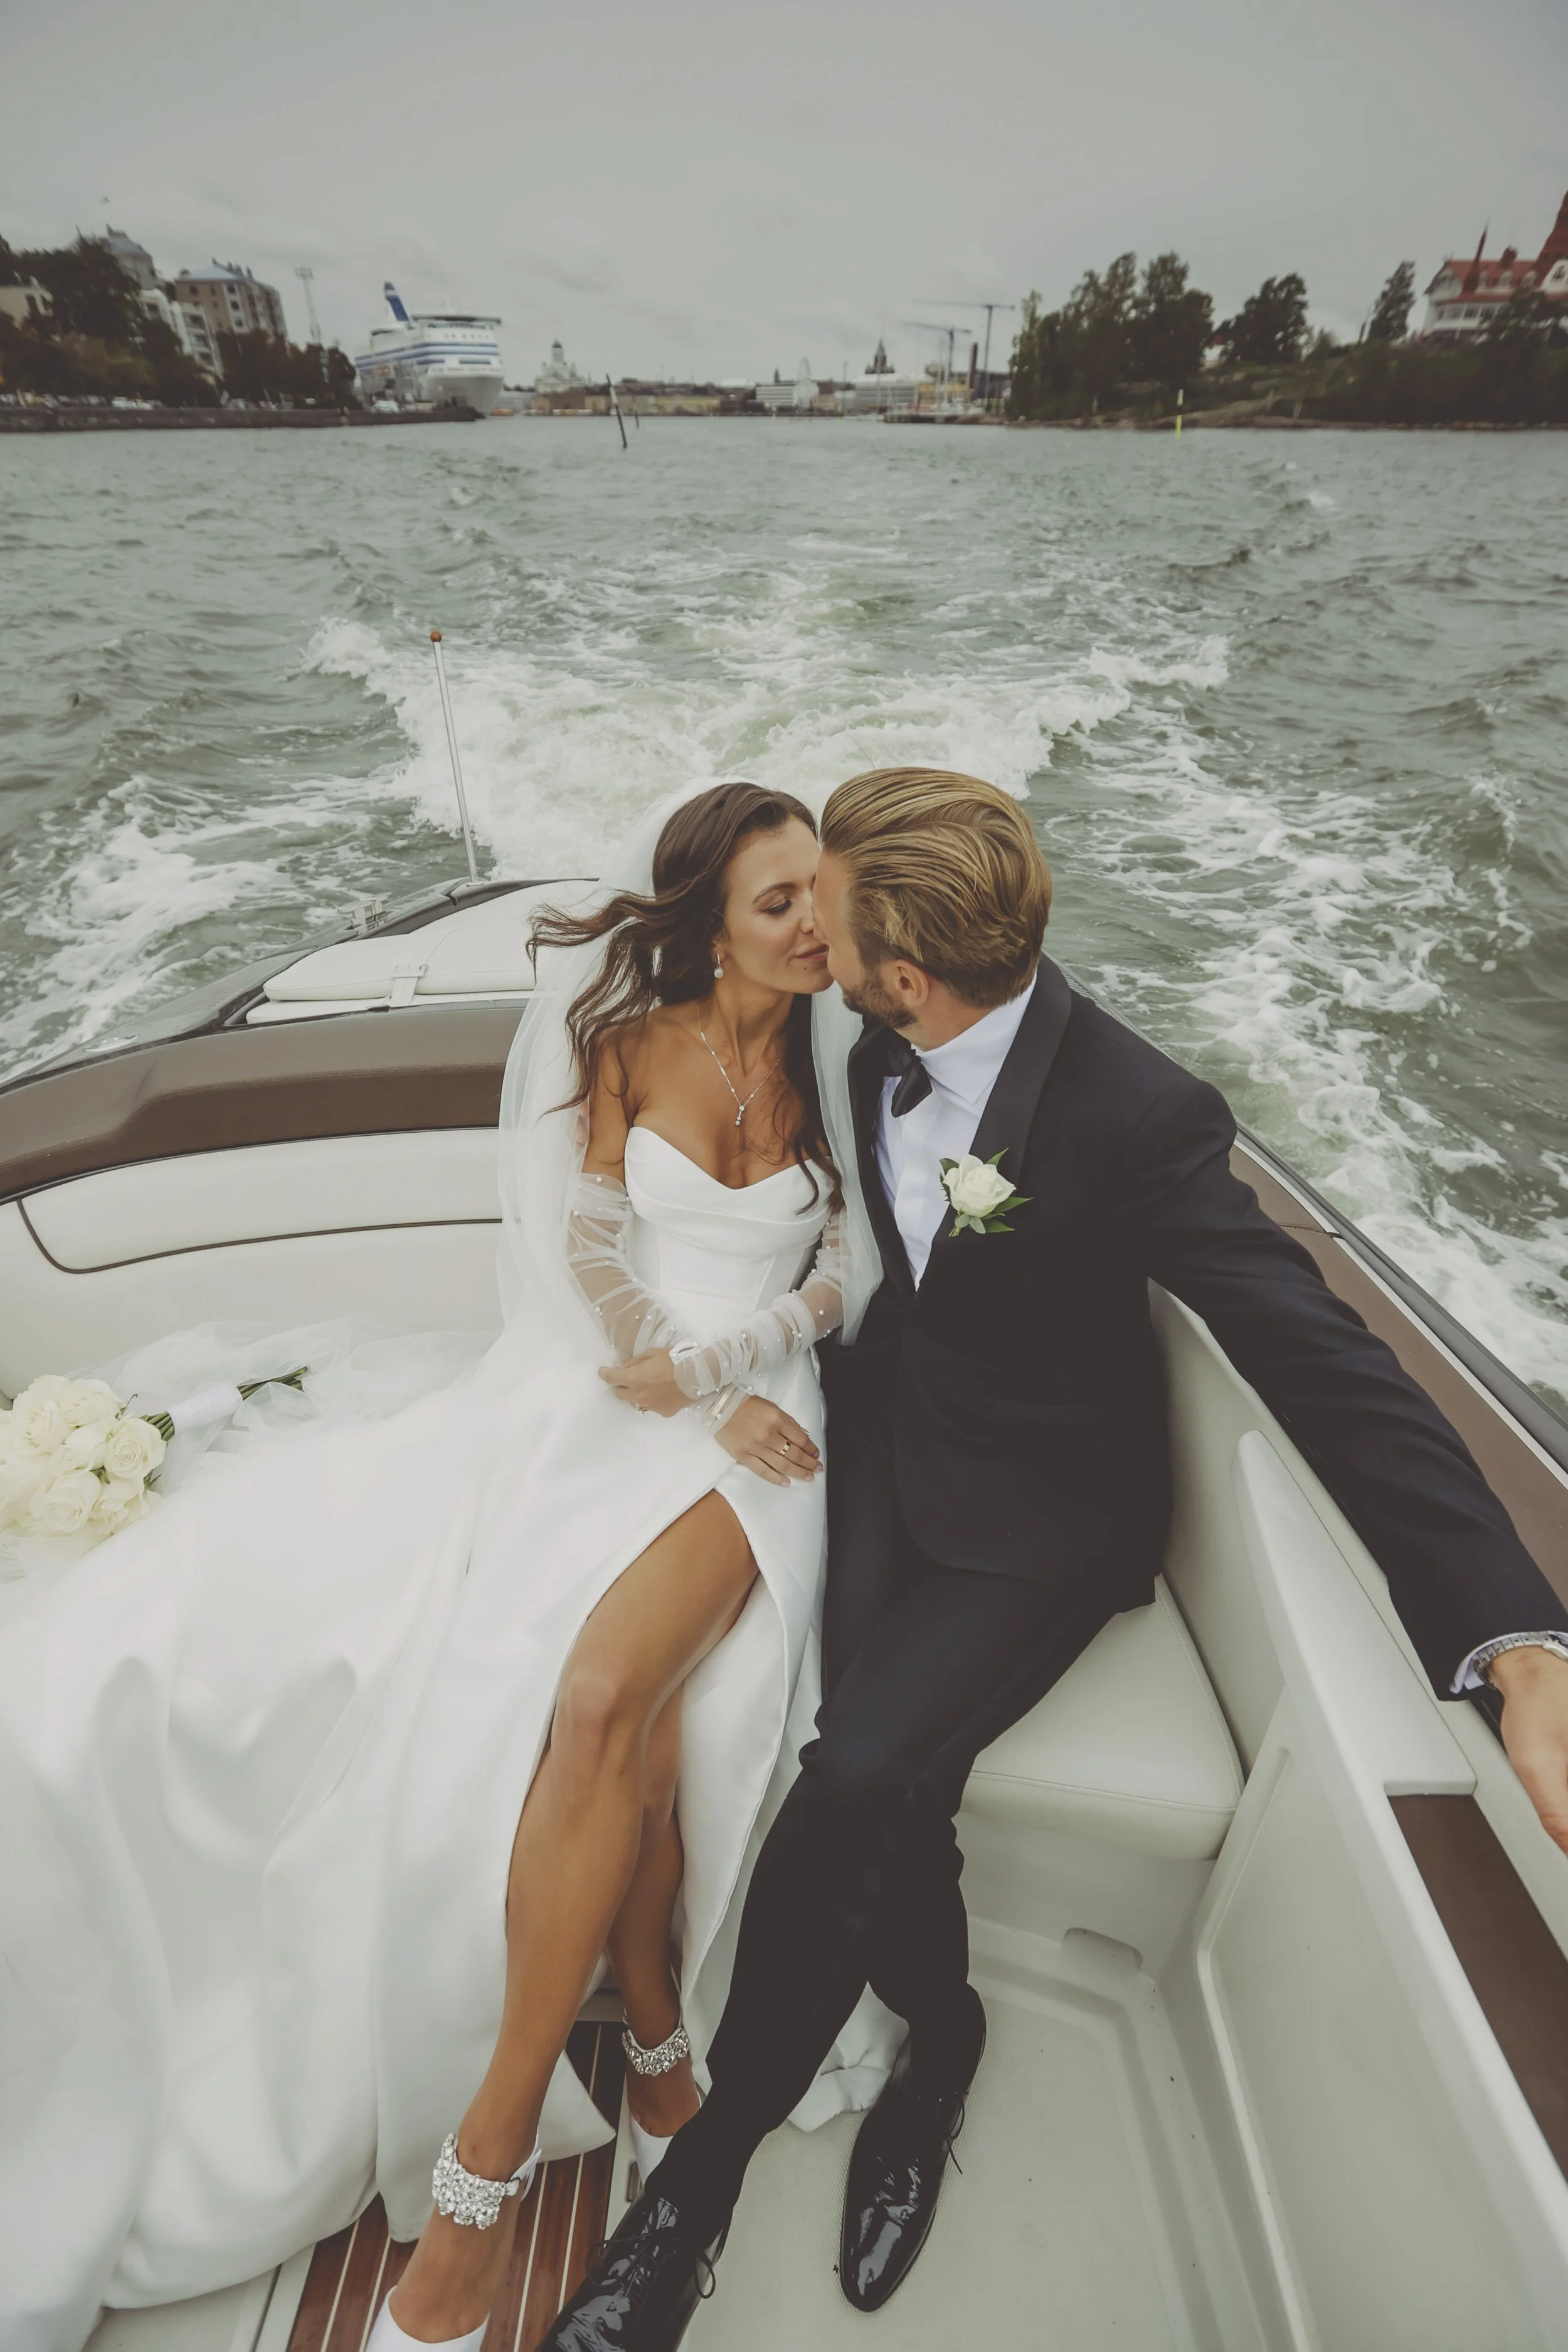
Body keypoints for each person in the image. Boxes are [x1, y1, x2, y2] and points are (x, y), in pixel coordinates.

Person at [542, 766, 1568, 2352]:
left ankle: (703, 2186)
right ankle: (935, 2033)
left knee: (860, 1760)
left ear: (903, 976)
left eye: (828, 916)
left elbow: (1326, 1363)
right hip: (878, 1445)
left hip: (1043, 1511)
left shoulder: (1137, 1116)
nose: (803, 931)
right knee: (897, 1784)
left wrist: (1515, 1642)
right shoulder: (864, 1025)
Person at [0, 782, 886, 2352]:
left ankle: (477, 2184)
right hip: (602, 1405)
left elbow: (846, 1265)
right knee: (566, 1705)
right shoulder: (631, 1044)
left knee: (602, 1695)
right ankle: (661, 2036)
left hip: (760, 1440)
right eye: (776, 905)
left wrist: (743, 1364)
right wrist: (670, 1365)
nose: (813, 925)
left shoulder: (836, 1053)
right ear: (703, 925)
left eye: (818, 893)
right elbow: (597, 1258)